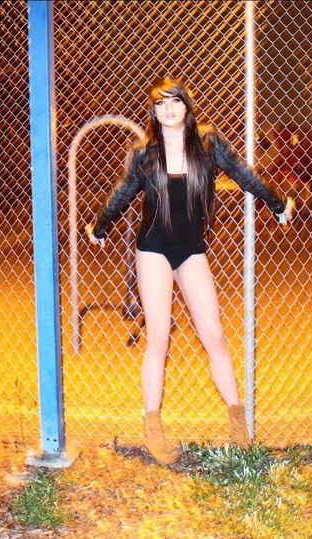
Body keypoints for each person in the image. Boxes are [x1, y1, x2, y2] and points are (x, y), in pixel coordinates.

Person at [86, 77, 295, 465]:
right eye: (160, 104)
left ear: (186, 105)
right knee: (159, 339)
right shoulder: (143, 153)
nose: (168, 109)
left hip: (191, 250)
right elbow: (123, 193)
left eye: (175, 102)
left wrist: (277, 202)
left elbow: (245, 175)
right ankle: (152, 429)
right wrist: (100, 226)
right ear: (153, 111)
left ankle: (239, 428)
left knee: (214, 335)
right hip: (154, 250)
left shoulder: (208, 143)